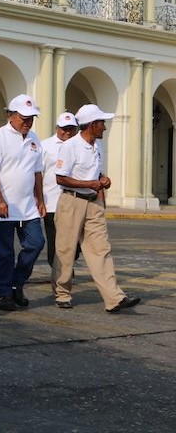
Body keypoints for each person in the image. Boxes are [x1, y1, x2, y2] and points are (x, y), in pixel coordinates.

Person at [53, 104, 141, 313]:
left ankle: (114, 298)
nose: (105, 127)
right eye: (102, 123)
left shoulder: (97, 146)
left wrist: (102, 183)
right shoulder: (70, 146)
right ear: (92, 125)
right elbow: (60, 178)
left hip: (93, 202)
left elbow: (96, 175)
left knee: (101, 250)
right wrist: (88, 184)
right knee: (66, 250)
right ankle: (62, 293)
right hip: (71, 202)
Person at [0, 94, 46, 311]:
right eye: (24, 118)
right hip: (4, 206)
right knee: (5, 253)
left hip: (28, 206)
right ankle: (4, 293)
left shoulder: (34, 138)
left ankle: (16, 284)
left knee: (36, 243)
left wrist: (40, 198)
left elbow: (38, 172)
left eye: (31, 118)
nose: (27, 122)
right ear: (11, 115)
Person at [41, 112, 79, 268]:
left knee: (75, 242)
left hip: (74, 202)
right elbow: (38, 174)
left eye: (71, 129)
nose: (67, 132)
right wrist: (39, 200)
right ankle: (59, 272)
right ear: (57, 128)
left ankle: (66, 267)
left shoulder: (79, 145)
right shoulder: (45, 146)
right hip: (51, 201)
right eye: (64, 129)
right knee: (54, 240)